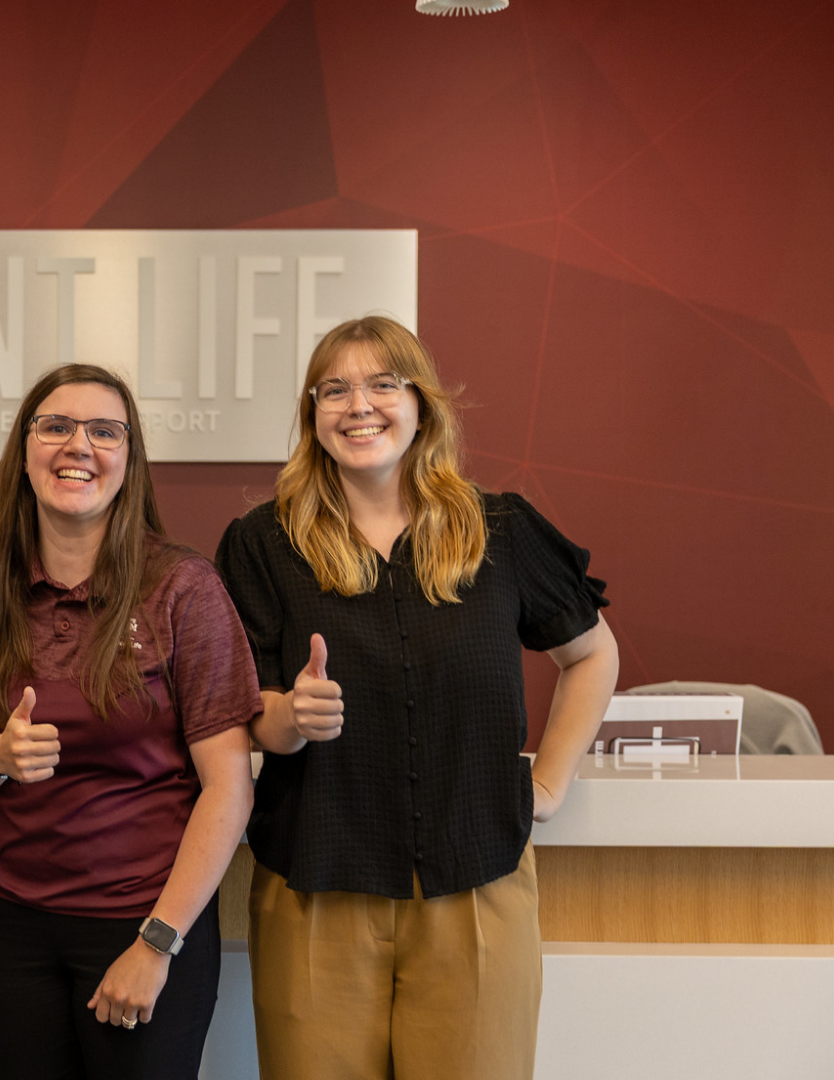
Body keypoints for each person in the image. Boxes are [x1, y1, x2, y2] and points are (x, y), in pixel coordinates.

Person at [214, 315, 619, 1080]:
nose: (357, 405)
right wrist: (291, 719)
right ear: (312, 416)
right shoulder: (263, 543)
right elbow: (246, 711)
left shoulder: (499, 529)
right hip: (315, 885)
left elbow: (593, 653)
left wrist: (551, 784)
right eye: (333, 389)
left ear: (422, 404)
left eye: (381, 384)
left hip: (478, 882)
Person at [0, 364, 260, 1079]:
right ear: (25, 449)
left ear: (129, 460)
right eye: (56, 426)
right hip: (11, 926)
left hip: (141, 921)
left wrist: (156, 943)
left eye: (105, 431)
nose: (79, 446)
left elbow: (228, 789)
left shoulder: (183, 588)